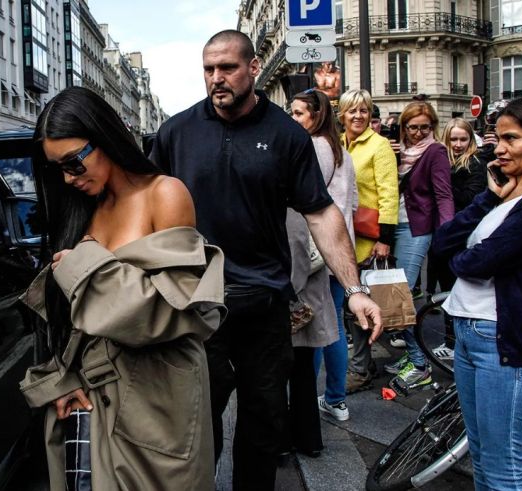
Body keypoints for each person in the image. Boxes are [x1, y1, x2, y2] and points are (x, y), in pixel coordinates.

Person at [150, 30, 383, 489]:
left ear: (254, 68)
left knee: (263, 422)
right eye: (209, 69)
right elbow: (144, 204)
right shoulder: (176, 132)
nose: (217, 79)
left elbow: (320, 212)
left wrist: (354, 290)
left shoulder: (285, 134)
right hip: (195, 306)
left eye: (228, 68)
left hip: (264, 304)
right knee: (196, 423)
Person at [18, 86, 226, 490]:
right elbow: (68, 317)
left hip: (158, 397)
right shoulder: (81, 209)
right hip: (91, 394)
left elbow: (178, 311)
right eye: (57, 169)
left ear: (106, 136)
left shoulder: (164, 193)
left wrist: (83, 266)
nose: (68, 178)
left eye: (74, 163)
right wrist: (61, 381)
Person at [432, 94, 522, 490]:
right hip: (472, 335)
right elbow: (443, 244)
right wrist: (489, 198)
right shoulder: (506, 196)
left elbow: (475, 262)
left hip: (505, 344)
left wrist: (466, 256)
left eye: (512, 139)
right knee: (481, 459)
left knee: (503, 468)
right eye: (497, 138)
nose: (500, 148)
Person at [290, 89, 358, 421]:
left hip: (318, 251)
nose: (293, 119)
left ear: (316, 116)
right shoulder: (341, 150)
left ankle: (308, 402)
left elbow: (304, 201)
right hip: (338, 248)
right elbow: (353, 203)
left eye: (299, 113)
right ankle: (336, 398)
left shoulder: (313, 148)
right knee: (335, 327)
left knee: (314, 330)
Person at [382, 101, 454, 392]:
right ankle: (414, 357)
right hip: (394, 225)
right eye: (413, 127)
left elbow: (443, 194)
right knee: (396, 293)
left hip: (416, 227)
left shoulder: (435, 151)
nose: (418, 133)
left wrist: (447, 231)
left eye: (425, 127)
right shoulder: (400, 151)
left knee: (400, 296)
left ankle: (419, 364)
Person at [338, 89, 399, 393]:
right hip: (344, 235)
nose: (359, 116)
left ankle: (360, 369)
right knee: (351, 305)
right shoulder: (338, 143)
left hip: (367, 238)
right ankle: (365, 364)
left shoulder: (379, 146)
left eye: (364, 111)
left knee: (359, 305)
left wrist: (385, 239)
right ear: (342, 114)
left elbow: (389, 194)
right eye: (353, 111)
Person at [425, 118, 489, 357]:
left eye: (463, 139)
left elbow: (471, 197)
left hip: (463, 235)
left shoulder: (475, 163)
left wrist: (443, 189)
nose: (459, 144)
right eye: (454, 139)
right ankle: (451, 341)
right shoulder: (443, 160)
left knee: (457, 291)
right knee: (446, 291)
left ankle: (455, 344)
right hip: (445, 233)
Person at [284, 208, 337, 457]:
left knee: (282, 375)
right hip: (310, 301)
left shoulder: (291, 212)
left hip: (297, 304)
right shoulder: (314, 207)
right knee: (303, 374)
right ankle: (308, 440)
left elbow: (296, 266)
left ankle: (285, 442)